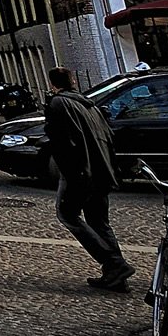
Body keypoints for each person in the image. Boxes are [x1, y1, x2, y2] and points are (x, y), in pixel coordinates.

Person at [45, 66, 132, 290]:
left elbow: (61, 142)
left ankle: (114, 263)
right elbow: (108, 137)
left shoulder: (58, 104)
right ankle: (115, 276)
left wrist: (71, 173)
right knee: (99, 222)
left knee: (68, 214)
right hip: (102, 170)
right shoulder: (89, 105)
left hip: (81, 172)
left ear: (53, 84)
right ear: (72, 80)